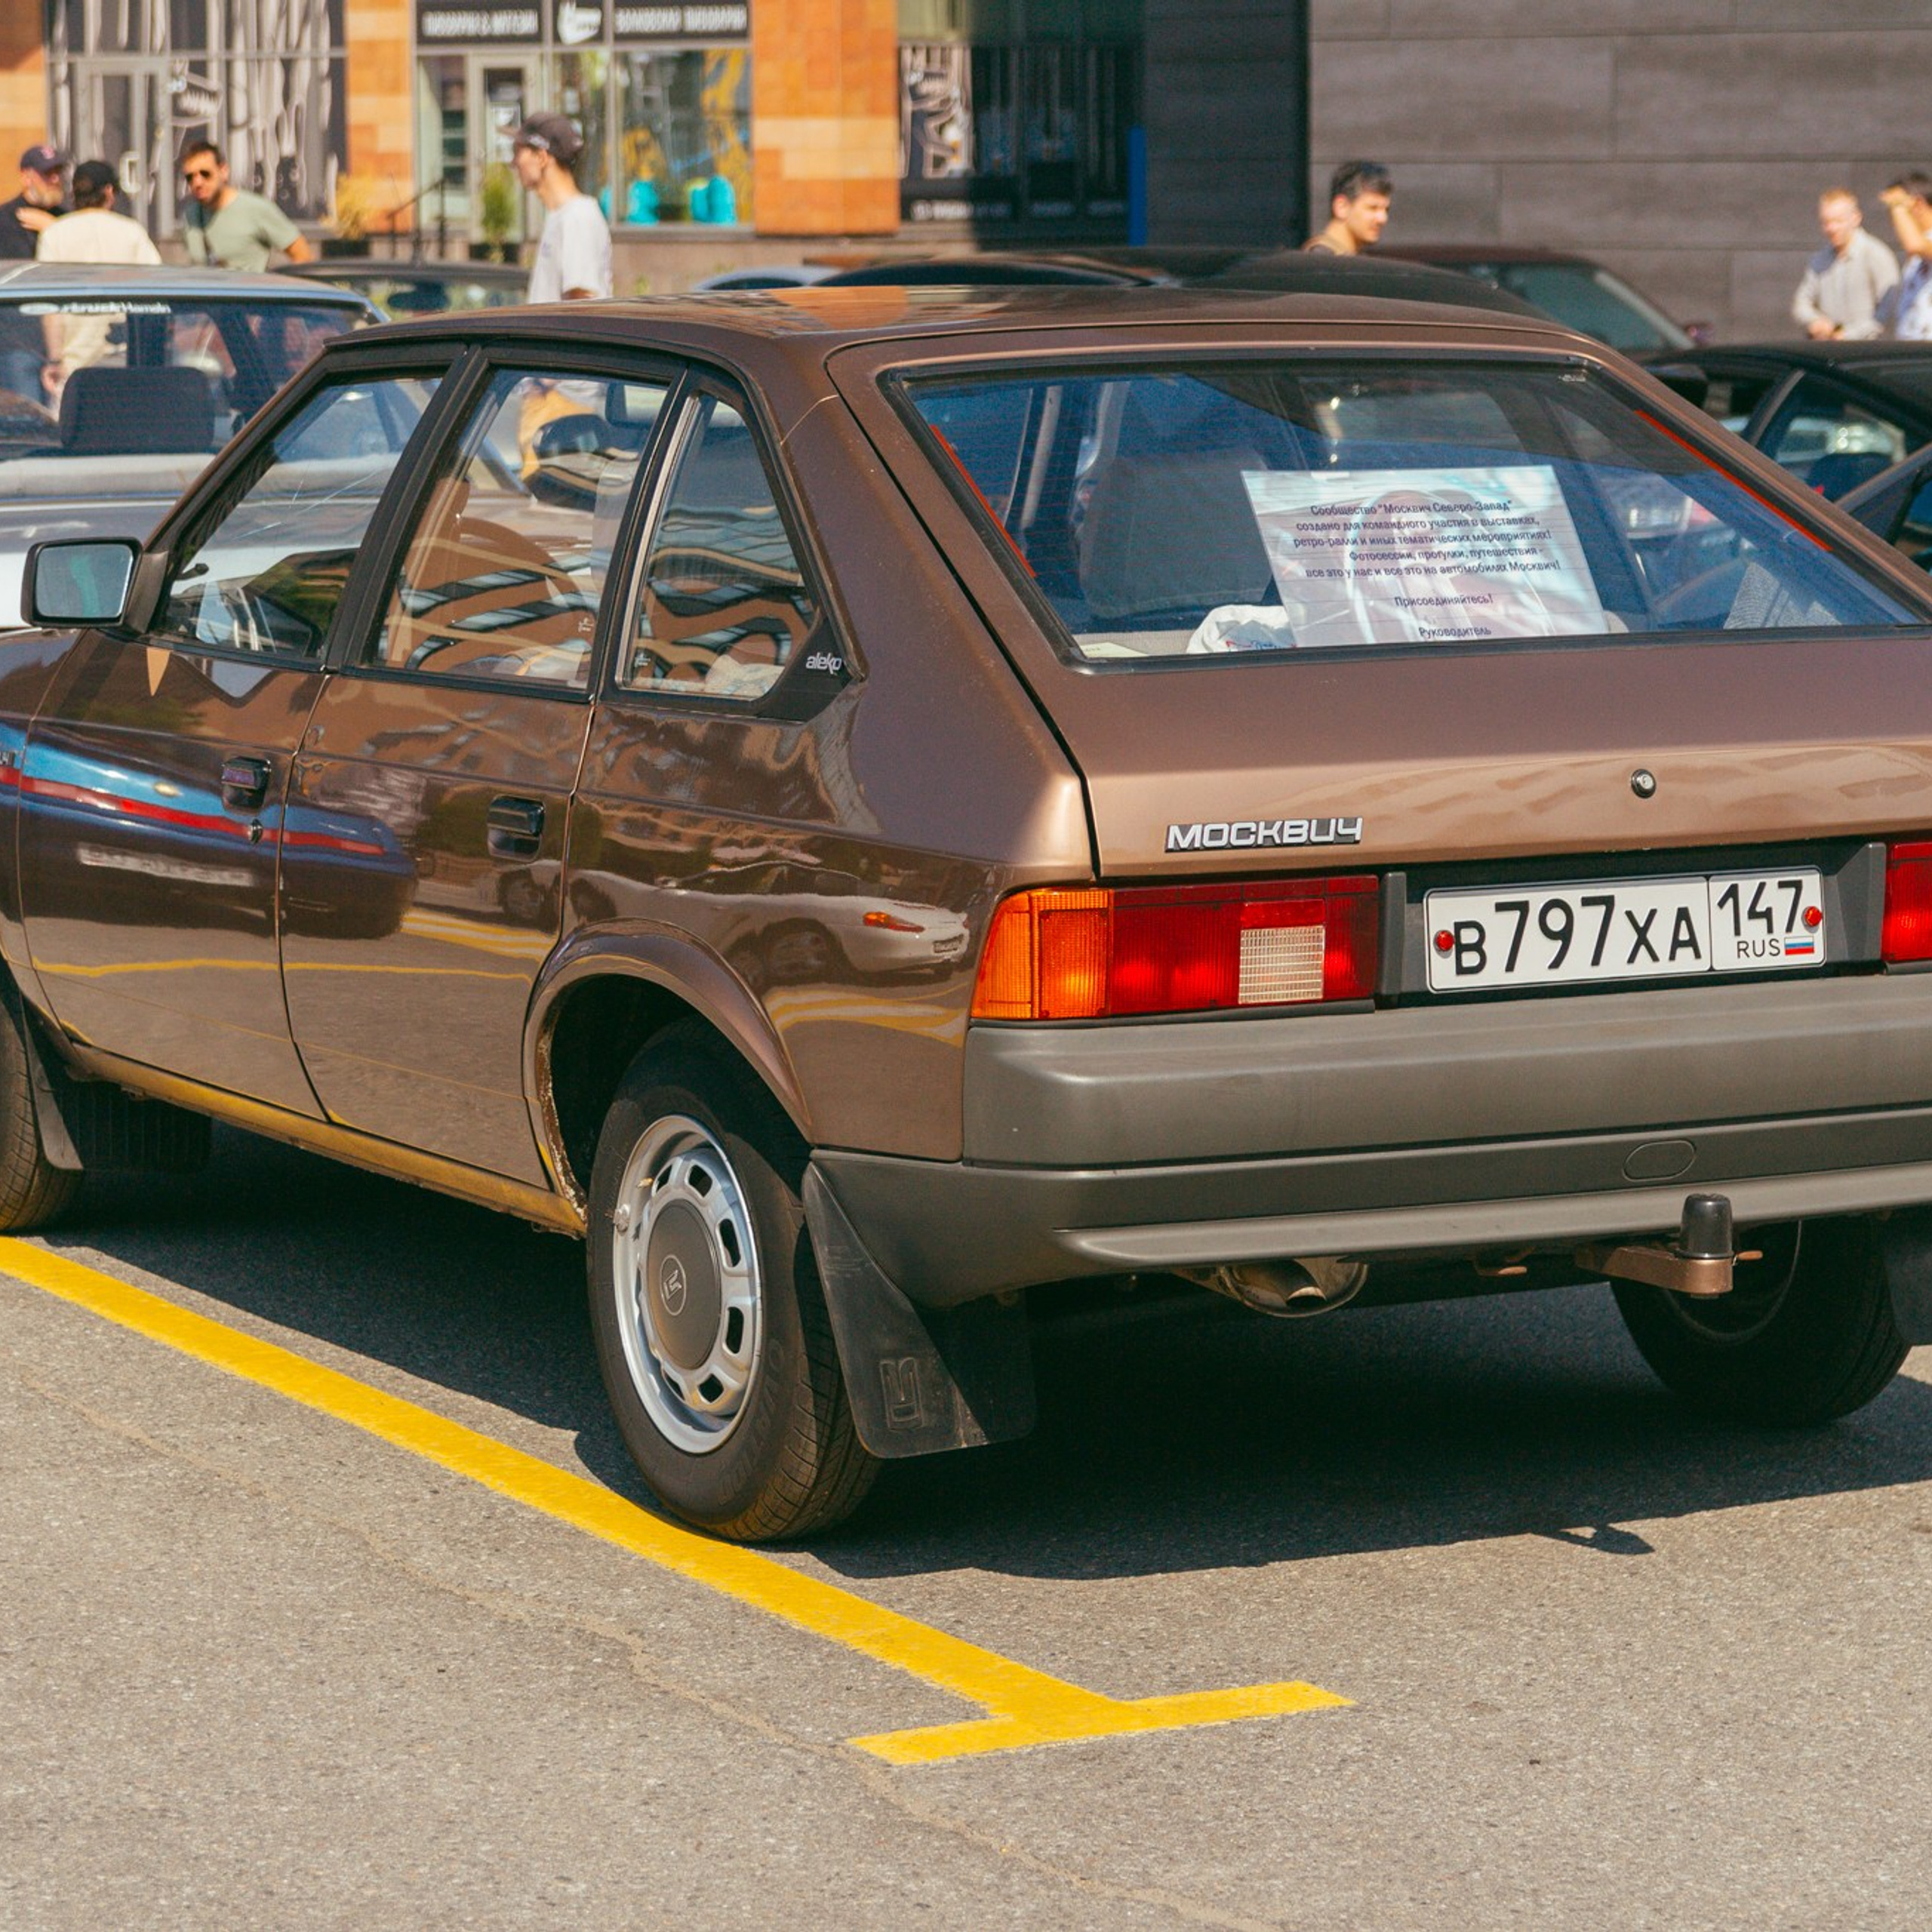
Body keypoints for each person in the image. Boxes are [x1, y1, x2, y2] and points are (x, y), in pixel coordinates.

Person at [35, 160, 163, 400]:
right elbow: (158, 294)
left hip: (73, 364)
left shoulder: (55, 234)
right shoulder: (131, 232)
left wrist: (54, 358)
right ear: (109, 192)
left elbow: (49, 306)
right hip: (126, 359)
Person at [513, 112, 612, 303]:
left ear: (542, 157)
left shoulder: (578, 217)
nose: (515, 162)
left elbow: (581, 304)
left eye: (519, 152)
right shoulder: (562, 216)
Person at [179, 139, 313, 270]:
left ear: (224, 171)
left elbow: (303, 255)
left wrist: (279, 288)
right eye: (190, 177)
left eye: (205, 174)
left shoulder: (256, 208)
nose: (197, 183)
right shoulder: (190, 216)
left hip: (250, 291)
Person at [1792, 188, 1897, 340]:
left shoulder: (1876, 254)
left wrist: (1849, 335)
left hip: (1867, 352)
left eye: (1838, 221)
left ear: (1856, 218)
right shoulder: (1820, 258)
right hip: (1827, 349)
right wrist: (1815, 321)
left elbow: (1888, 310)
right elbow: (1801, 302)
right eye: (1826, 222)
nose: (1832, 228)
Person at [1880, 171, 1932, 341]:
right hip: (1912, 347)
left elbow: (1914, 245)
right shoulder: (1918, 252)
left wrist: (1897, 205)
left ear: (1917, 203)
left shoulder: (1920, 244)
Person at [1304, 160, 1392, 256]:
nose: (1382, 219)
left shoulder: (1349, 258)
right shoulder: (1321, 261)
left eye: (1386, 210)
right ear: (1342, 207)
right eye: (1372, 208)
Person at [0, 144, 67, 258]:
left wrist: (54, 229)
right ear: (26, 178)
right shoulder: (5, 220)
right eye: (48, 173)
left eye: (58, 172)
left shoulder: (66, 216)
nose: (56, 179)